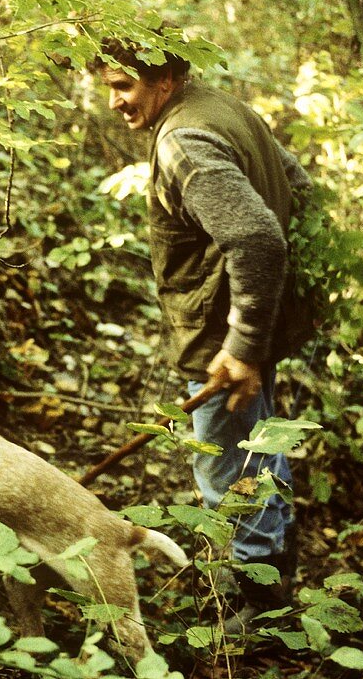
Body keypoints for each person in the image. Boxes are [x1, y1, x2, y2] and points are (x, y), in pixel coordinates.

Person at [90, 38, 312, 620]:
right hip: (249, 321)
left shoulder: (185, 139)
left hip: (223, 338)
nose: (114, 100)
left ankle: (261, 604)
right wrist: (262, 325)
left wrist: (241, 345)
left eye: (124, 86)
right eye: (109, 86)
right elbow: (300, 185)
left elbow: (258, 237)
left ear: (165, 81)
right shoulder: (221, 107)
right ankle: (277, 572)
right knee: (259, 447)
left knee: (227, 466)